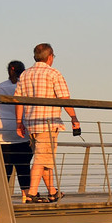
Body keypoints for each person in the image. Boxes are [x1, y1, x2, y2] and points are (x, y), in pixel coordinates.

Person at [15, 42, 79, 203]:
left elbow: (18, 101)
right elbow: (64, 99)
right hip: (48, 123)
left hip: (31, 124)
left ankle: (52, 191)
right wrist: (74, 118)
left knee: (44, 159)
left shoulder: (25, 74)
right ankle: (32, 194)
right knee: (41, 159)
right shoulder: (54, 74)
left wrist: (18, 122)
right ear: (50, 57)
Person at [0, 60, 32, 198]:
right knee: (24, 166)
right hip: (23, 130)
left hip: (2, 132)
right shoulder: (25, 87)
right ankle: (26, 195)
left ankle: (1, 196)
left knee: (5, 167)